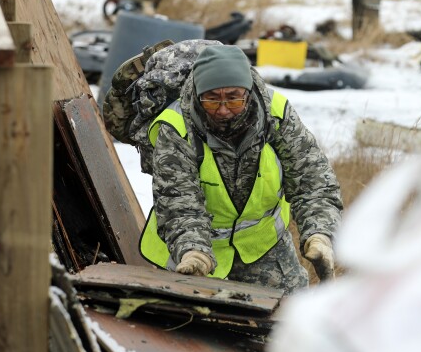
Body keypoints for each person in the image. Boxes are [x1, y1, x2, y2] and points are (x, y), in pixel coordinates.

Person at [141, 44, 343, 293]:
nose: (224, 109)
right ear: (197, 93)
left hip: (261, 245)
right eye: (212, 99)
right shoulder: (175, 128)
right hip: (190, 250)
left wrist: (319, 234)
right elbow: (178, 200)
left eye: (233, 98)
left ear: (248, 92)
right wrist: (193, 251)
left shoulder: (276, 115)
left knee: (287, 319)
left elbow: (312, 180)